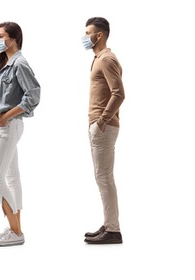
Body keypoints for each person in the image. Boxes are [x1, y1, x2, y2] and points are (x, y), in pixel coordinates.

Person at [0, 22, 40, 247]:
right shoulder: (6, 63)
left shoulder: (20, 63)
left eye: (2, 36)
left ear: (14, 38)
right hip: (4, 125)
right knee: (11, 176)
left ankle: (16, 231)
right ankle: (15, 228)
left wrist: (7, 115)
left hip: (10, 126)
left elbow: (33, 95)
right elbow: (7, 95)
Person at [82, 17, 125, 245]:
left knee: (105, 178)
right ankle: (109, 224)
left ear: (99, 35)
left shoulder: (107, 58)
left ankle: (113, 230)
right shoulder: (98, 58)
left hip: (104, 127)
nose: (84, 36)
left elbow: (119, 93)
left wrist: (101, 122)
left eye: (87, 32)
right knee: (102, 178)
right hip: (99, 126)